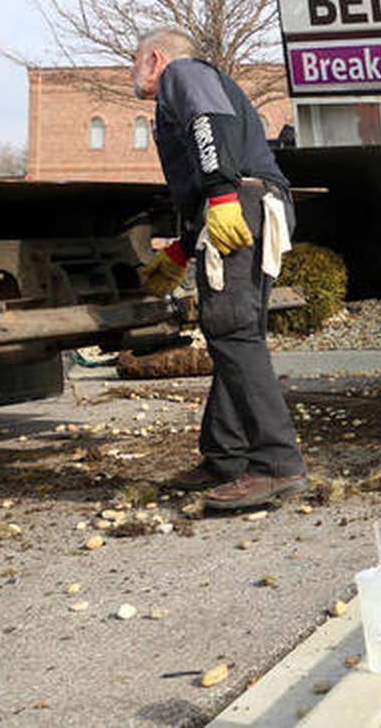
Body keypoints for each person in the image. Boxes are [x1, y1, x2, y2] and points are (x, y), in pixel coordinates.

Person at [132, 27, 307, 510]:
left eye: (134, 60)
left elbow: (211, 125)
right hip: (246, 202)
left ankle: (276, 464)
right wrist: (181, 250)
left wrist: (224, 195)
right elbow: (198, 172)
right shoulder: (179, 93)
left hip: (241, 199)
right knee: (234, 330)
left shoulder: (184, 74)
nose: (134, 71)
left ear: (155, 57)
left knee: (231, 329)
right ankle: (225, 454)